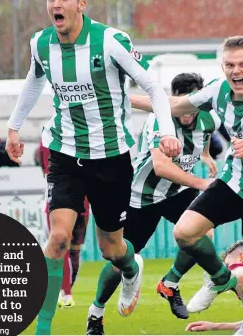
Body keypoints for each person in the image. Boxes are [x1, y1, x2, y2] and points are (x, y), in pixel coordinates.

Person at [5, 0, 181, 335]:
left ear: (81, 4)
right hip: (65, 153)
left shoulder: (110, 42)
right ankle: (44, 328)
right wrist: (13, 127)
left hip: (111, 158)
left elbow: (152, 86)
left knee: (111, 248)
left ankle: (131, 269)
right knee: (57, 237)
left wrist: (167, 130)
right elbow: (33, 80)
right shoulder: (40, 44)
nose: (56, 4)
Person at [130, 35, 243, 335]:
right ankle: (219, 278)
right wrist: (122, 99)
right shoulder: (217, 90)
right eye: (230, 64)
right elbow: (174, 105)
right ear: (223, 67)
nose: (237, 71)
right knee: (184, 231)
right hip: (234, 183)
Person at [87, 73, 219, 335]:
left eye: (191, 105)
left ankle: (170, 283)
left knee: (204, 232)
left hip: (177, 192)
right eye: (181, 103)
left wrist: (204, 156)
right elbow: (161, 167)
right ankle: (96, 314)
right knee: (119, 257)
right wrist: (202, 184)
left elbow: (204, 137)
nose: (187, 112)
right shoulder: (159, 120)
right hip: (142, 195)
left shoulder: (208, 118)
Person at [36, 140, 88, 308]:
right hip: (83, 199)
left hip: (59, 197)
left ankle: (64, 292)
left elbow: (46, 169)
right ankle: (65, 292)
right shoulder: (83, 131)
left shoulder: (49, 135)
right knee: (71, 248)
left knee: (62, 244)